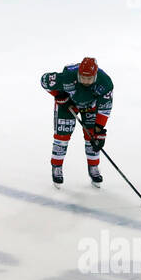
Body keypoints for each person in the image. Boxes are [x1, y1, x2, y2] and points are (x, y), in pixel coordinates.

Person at [40, 56, 113, 188]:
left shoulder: (105, 83)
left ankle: (93, 167)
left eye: (89, 78)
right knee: (62, 136)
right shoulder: (68, 76)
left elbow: (105, 108)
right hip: (67, 106)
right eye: (82, 77)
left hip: (90, 106)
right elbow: (44, 81)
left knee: (92, 138)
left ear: (95, 75)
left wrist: (99, 130)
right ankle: (56, 166)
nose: (85, 81)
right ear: (78, 74)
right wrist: (59, 95)